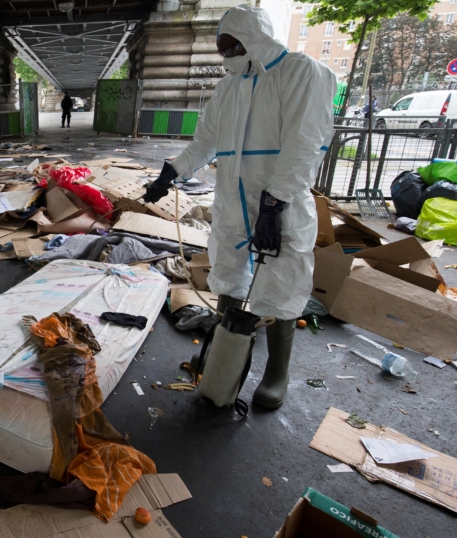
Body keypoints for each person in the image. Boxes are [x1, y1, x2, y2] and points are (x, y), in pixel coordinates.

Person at [144, 5, 336, 409]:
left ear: (257, 39)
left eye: (233, 47)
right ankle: (220, 353)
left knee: (282, 280)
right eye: (222, 49)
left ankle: (276, 373)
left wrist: (274, 203)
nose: (226, 56)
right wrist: (171, 171)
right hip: (233, 198)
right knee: (229, 275)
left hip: (278, 200)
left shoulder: (301, 73)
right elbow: (205, 142)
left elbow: (306, 144)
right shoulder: (230, 86)